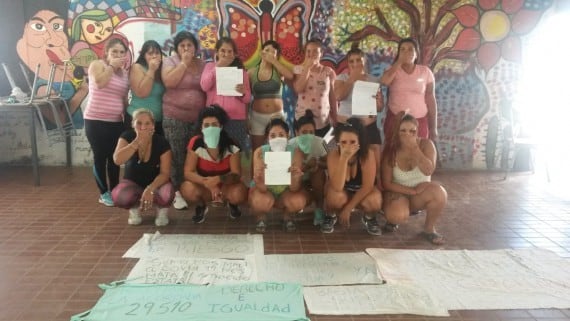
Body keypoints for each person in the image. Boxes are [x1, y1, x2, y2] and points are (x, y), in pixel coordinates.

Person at [381, 112, 447, 245]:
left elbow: (428, 170)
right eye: (403, 131)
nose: (408, 134)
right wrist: (413, 191)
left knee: (440, 193)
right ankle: (393, 218)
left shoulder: (426, 144)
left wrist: (414, 148)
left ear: (417, 131)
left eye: (412, 131)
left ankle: (429, 229)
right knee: (396, 215)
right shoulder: (391, 150)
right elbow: (387, 184)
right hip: (399, 192)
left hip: (420, 195)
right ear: (397, 132)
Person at [180, 105, 248, 224]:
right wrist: (208, 183)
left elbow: (236, 174)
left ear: (221, 126)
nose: (210, 128)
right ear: (201, 127)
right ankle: (201, 206)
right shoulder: (195, 143)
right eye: (206, 125)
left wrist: (218, 179)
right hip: (205, 187)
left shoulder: (232, 145)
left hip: (226, 186)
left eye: (214, 125)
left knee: (239, 193)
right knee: (187, 189)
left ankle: (232, 204)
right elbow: (188, 172)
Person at [161, 31, 206, 210]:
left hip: (198, 120)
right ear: (177, 48)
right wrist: (184, 63)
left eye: (189, 45)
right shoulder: (170, 62)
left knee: (194, 156)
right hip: (175, 117)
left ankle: (191, 188)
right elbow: (169, 82)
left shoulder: (202, 64)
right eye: (182, 46)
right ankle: (177, 192)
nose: (186, 49)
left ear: (196, 47)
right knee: (176, 155)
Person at [84, 38, 130, 206]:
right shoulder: (98, 65)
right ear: (107, 53)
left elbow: (124, 99)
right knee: (100, 156)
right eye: (114, 52)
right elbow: (100, 83)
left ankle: (115, 189)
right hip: (95, 120)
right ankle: (103, 193)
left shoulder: (125, 75)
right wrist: (112, 66)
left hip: (116, 121)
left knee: (114, 158)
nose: (118, 55)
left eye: (122, 52)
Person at [111, 109, 174, 226]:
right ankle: (134, 209)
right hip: (133, 182)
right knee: (119, 195)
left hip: (156, 184)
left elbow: (165, 173)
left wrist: (150, 189)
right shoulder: (126, 136)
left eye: (147, 123)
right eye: (139, 123)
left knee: (167, 193)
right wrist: (136, 142)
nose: (143, 127)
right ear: (133, 124)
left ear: (153, 126)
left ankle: (161, 210)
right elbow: (117, 160)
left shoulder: (161, 142)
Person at [322, 119, 383, 235]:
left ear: (360, 141)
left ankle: (369, 217)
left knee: (374, 200)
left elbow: (367, 186)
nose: (348, 146)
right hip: (341, 191)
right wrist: (344, 159)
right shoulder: (333, 154)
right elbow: (337, 186)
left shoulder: (368, 154)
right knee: (334, 197)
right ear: (338, 142)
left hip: (362, 191)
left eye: (352, 142)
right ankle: (331, 214)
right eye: (344, 142)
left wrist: (348, 209)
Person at [335, 47, 384, 188]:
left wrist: (379, 102)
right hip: (345, 126)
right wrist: (352, 79)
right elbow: (338, 96)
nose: (355, 64)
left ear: (364, 62)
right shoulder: (342, 78)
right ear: (348, 64)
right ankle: (341, 188)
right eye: (352, 61)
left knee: (375, 153)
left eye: (358, 61)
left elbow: (380, 108)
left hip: (368, 125)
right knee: (338, 155)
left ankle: (376, 188)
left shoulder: (373, 80)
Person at [249, 117, 306, 233]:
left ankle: (287, 216)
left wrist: (295, 177)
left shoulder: (296, 153)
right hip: (264, 190)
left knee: (298, 200)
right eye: (273, 136)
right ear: (267, 138)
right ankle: (261, 216)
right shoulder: (260, 152)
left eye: (281, 135)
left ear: (288, 135)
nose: (277, 139)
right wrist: (260, 178)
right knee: (260, 200)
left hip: (286, 191)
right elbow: (262, 188)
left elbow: (294, 188)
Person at [200, 37, 252, 153]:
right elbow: (204, 86)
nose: (226, 54)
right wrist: (217, 67)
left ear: (234, 54)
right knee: (215, 152)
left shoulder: (241, 72)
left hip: (236, 119)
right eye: (223, 50)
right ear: (217, 52)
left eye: (230, 51)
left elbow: (248, 98)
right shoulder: (209, 67)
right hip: (215, 119)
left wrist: (243, 93)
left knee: (236, 153)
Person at [380, 37, 438, 141]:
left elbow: (430, 99)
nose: (406, 52)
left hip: (419, 121)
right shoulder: (392, 70)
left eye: (410, 49)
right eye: (402, 49)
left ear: (416, 54)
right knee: (394, 154)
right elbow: (384, 81)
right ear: (398, 53)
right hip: (395, 120)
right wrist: (399, 62)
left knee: (419, 153)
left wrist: (433, 127)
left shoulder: (425, 72)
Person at [248, 40, 294, 151]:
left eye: (273, 52)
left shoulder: (279, 71)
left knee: (279, 149)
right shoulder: (251, 72)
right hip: (257, 117)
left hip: (277, 116)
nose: (269, 54)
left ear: (276, 56)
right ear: (261, 53)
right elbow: (245, 97)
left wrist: (274, 61)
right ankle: (257, 169)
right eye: (267, 50)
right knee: (257, 150)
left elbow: (290, 76)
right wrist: (246, 118)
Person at [289, 110, 328, 226]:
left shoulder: (321, 143)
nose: (308, 135)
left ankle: (319, 209)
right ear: (296, 132)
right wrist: (305, 167)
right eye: (304, 132)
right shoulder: (290, 145)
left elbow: (330, 165)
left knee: (318, 174)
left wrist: (317, 164)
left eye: (311, 132)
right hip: (297, 179)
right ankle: (292, 208)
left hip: (315, 177)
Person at [293, 39, 337, 137]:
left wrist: (336, 118)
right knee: (303, 151)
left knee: (325, 150)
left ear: (321, 53)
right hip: (302, 121)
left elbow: (333, 98)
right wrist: (307, 68)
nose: (311, 54)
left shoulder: (329, 72)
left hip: (323, 121)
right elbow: (298, 88)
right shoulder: (298, 69)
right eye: (308, 51)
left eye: (315, 51)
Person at [127, 40, 165, 135]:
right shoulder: (137, 67)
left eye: (157, 53)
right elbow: (142, 93)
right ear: (144, 55)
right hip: (137, 120)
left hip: (157, 121)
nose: (154, 56)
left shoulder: (162, 70)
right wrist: (151, 70)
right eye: (150, 53)